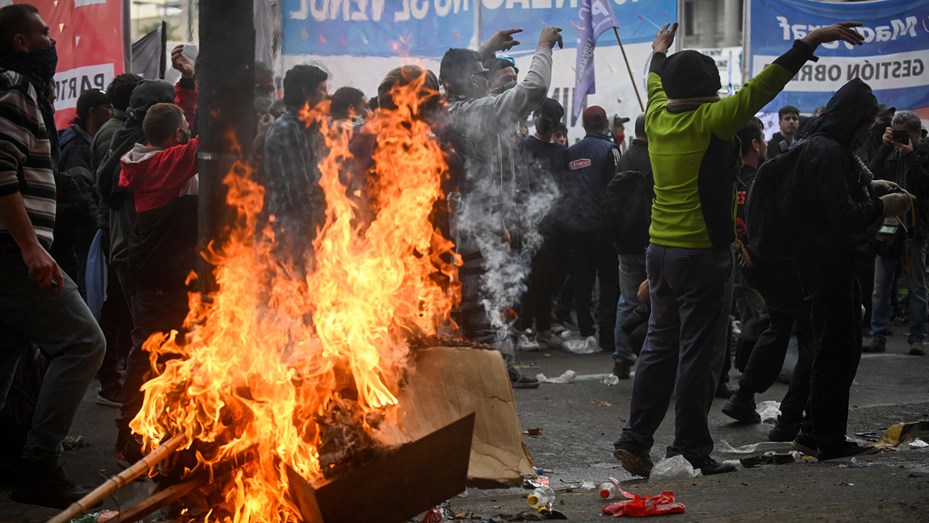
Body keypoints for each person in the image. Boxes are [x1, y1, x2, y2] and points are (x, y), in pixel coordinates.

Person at [612, 21, 868, 478]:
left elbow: (654, 80)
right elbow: (765, 85)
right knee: (700, 353)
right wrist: (809, 42)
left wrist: (657, 52)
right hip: (701, 256)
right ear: (710, 92)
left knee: (657, 347)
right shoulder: (714, 120)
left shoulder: (656, 115)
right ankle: (690, 448)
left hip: (659, 251)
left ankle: (634, 438)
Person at [0, 3, 106, 509]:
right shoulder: (15, 89)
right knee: (85, 343)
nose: (52, 40)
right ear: (22, 43)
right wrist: (28, 247)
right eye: (44, 33)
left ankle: (11, 461)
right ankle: (38, 466)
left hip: (12, 255)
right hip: (15, 255)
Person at [786, 79, 910, 460]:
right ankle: (826, 436)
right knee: (836, 351)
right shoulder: (825, 152)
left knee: (837, 348)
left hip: (830, 261)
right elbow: (839, 216)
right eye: (863, 124)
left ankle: (814, 431)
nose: (865, 133)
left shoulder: (824, 146)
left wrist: (871, 191)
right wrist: (882, 206)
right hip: (828, 263)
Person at [440, 26, 562, 388]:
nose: (486, 78)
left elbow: (455, 68)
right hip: (475, 224)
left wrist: (486, 50)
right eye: (481, 73)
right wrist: (543, 48)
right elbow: (534, 90)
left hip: (476, 219)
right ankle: (489, 375)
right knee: (484, 300)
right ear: (472, 80)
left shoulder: (447, 109)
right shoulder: (476, 112)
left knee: (487, 297)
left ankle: (495, 368)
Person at [115, 102, 199, 464]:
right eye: (183, 128)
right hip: (157, 283)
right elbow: (206, 138)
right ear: (176, 135)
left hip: (159, 279)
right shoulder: (161, 164)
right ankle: (131, 441)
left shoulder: (148, 157)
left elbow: (194, 129)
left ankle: (151, 438)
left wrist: (188, 84)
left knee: (160, 359)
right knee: (149, 361)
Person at [722, 118, 814, 444]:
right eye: (761, 137)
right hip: (775, 266)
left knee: (776, 324)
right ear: (756, 144)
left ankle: (743, 394)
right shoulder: (764, 179)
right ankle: (793, 416)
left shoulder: (730, 181)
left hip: (749, 265)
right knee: (801, 329)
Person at [864, 110, 929, 356]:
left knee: (916, 284)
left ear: (914, 132)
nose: (901, 136)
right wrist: (884, 147)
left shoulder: (924, 152)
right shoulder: (890, 150)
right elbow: (870, 176)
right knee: (880, 285)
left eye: (904, 132)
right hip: (889, 225)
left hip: (916, 228)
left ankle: (917, 338)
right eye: (897, 131)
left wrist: (911, 156)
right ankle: (878, 334)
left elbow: (924, 186)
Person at [261, 64, 329, 268]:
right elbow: (298, 192)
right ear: (305, 92)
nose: (326, 97)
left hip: (304, 228)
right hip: (293, 230)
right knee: (296, 289)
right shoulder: (288, 129)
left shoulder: (308, 128)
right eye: (322, 91)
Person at [515, 98, 569, 351]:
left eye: (547, 116)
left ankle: (544, 328)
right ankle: (523, 327)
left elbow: (565, 189)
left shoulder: (561, 152)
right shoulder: (524, 147)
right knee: (529, 278)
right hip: (529, 225)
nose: (541, 120)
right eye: (540, 114)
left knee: (548, 280)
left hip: (555, 227)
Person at [610, 114, 650, 378]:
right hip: (649, 239)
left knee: (626, 299)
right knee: (654, 300)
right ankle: (650, 357)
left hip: (624, 240)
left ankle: (622, 358)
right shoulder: (656, 158)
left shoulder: (624, 158)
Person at [60, 88, 113, 172]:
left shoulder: (94, 140)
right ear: (92, 112)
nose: (112, 112)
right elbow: (79, 183)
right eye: (107, 107)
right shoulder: (77, 148)